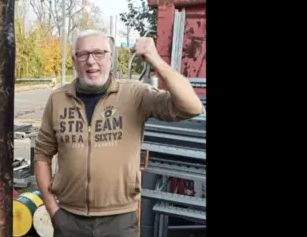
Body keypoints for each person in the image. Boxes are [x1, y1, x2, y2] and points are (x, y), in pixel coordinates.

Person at [34, 29, 204, 237]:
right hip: (69, 220)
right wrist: (54, 212)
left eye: (99, 53)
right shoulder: (58, 99)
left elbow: (192, 106)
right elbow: (42, 155)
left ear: (110, 58)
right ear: (74, 60)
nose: (91, 61)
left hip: (119, 222)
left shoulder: (134, 94)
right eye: (83, 54)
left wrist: (155, 60)